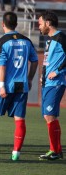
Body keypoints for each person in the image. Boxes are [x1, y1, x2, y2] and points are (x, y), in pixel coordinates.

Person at [0, 12, 38, 161]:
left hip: (5, 85)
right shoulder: (27, 41)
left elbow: (2, 64)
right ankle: (16, 152)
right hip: (22, 85)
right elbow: (35, 61)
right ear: (16, 24)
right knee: (19, 119)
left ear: (2, 24)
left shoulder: (1, 42)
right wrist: (30, 78)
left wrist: (2, 85)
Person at [38, 11, 65, 161]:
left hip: (56, 82)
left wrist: (58, 71)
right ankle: (57, 150)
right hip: (47, 83)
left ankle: (55, 151)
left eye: (40, 23)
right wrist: (43, 75)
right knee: (48, 116)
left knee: (49, 116)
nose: (39, 27)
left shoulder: (62, 38)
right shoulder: (49, 40)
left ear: (48, 23)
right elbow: (47, 61)